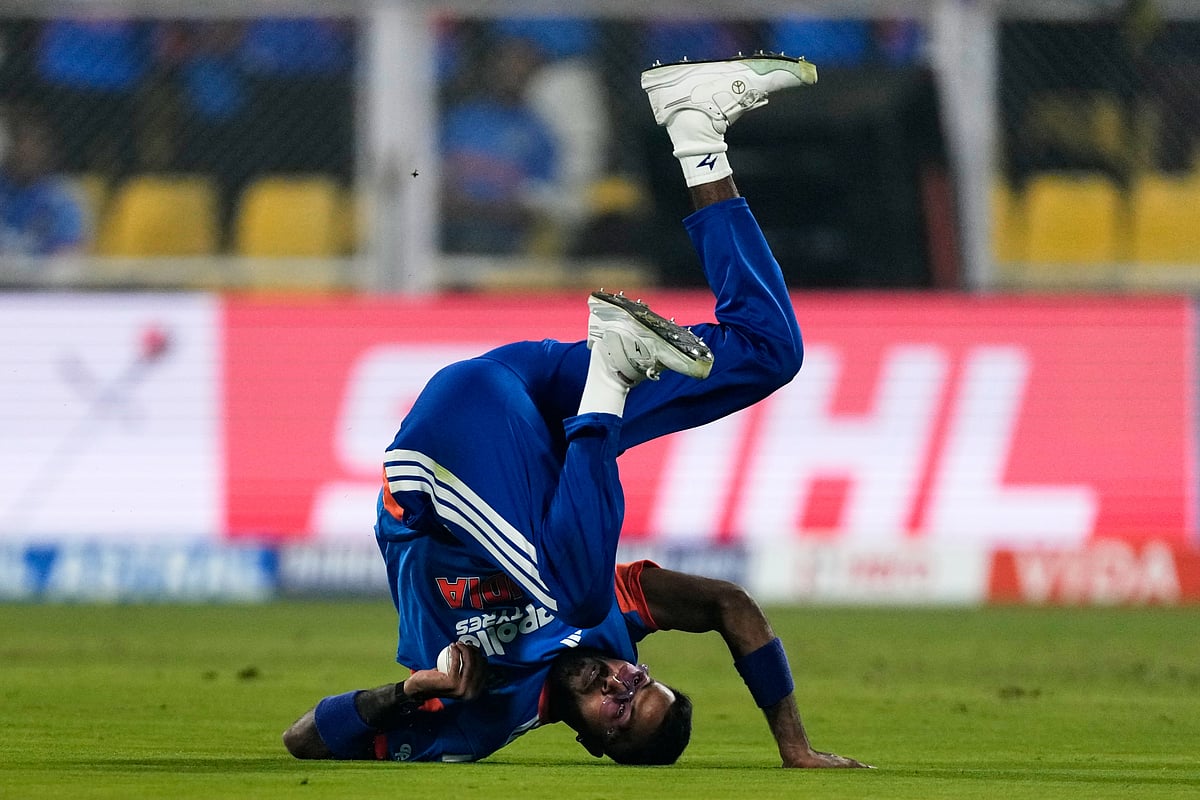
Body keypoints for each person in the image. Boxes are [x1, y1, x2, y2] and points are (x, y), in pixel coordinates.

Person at [283, 54, 868, 769]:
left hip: (440, 461)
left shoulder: (481, 717)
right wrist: (794, 746)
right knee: (768, 352)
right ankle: (696, 129)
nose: (623, 679)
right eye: (644, 681)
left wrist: (412, 691)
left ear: (593, 740)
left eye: (620, 709)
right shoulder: (611, 631)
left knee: (581, 594)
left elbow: (306, 740)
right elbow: (729, 607)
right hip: (539, 402)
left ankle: (612, 376)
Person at [0, 103, 88, 256]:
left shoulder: (63, 197)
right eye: (21, 142)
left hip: (42, 279)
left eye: (35, 144)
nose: (26, 151)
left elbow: (67, 260)